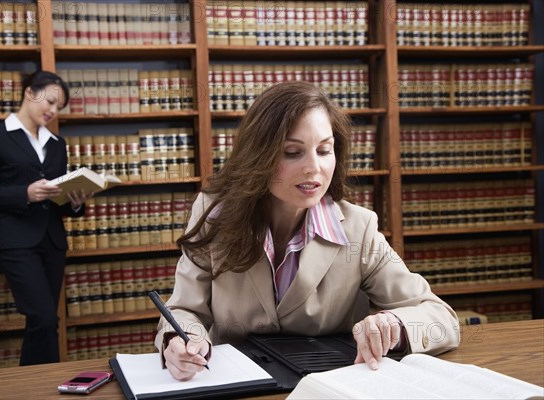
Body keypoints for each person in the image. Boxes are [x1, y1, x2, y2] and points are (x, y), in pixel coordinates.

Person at [154, 81, 460, 381]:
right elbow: (184, 309)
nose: (314, 168)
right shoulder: (214, 215)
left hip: (330, 388)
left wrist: (394, 323)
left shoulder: (358, 228)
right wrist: (181, 341)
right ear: (259, 155)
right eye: (292, 152)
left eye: (324, 150)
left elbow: (441, 318)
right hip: (238, 388)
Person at [0, 71, 90, 365]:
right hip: (15, 240)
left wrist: (74, 203)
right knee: (43, 318)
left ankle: (35, 386)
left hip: (52, 241)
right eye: (49, 101)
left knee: (45, 322)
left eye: (58, 107)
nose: (52, 110)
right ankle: (43, 387)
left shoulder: (56, 144)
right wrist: (24, 193)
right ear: (29, 93)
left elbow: (57, 201)